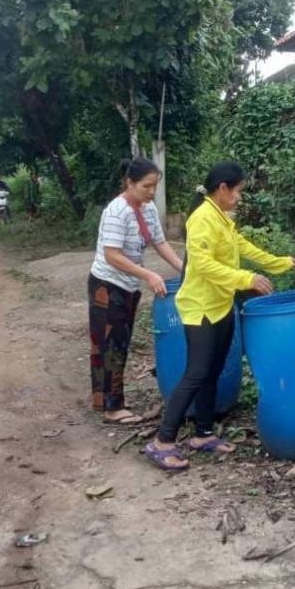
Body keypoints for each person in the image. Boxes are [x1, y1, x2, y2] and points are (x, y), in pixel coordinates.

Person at [145, 161, 295, 472]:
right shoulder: (201, 219)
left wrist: (280, 263)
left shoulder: (221, 218)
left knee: (213, 369)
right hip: (200, 308)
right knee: (196, 373)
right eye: (238, 190)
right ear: (223, 188)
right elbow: (201, 266)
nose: (240, 197)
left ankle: (202, 433)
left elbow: (243, 247)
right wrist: (246, 280)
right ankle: (162, 441)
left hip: (221, 305)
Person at [89, 158, 183, 425]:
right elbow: (111, 255)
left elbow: (159, 242)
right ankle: (112, 407)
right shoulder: (116, 211)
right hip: (107, 285)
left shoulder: (148, 208)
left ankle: (102, 400)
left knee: (118, 341)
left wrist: (183, 267)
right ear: (129, 183)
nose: (151, 192)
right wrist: (148, 274)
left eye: (154, 186)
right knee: (110, 344)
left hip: (128, 284)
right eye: (146, 186)